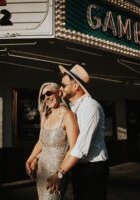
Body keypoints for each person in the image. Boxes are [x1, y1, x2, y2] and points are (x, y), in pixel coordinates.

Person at [46, 64, 109, 200]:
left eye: (63, 85)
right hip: (78, 167)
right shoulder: (73, 108)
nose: (60, 88)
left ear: (75, 86)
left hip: (93, 169)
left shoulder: (90, 107)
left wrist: (60, 173)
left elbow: (81, 147)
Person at [25, 82, 79, 200]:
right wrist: (31, 159)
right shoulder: (46, 116)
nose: (46, 98)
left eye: (49, 93)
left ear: (59, 93)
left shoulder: (68, 115)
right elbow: (41, 142)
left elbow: (74, 147)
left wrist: (59, 174)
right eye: (43, 96)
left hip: (57, 172)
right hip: (41, 171)